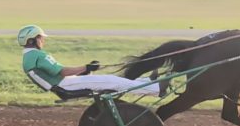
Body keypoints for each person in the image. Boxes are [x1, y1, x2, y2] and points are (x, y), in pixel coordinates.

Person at [19, 25, 161, 97]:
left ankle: (147, 82)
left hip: (64, 84)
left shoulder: (28, 57)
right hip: (66, 85)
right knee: (113, 82)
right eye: (41, 37)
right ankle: (155, 88)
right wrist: (86, 67)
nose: (43, 40)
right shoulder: (37, 55)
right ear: (33, 40)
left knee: (111, 80)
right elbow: (62, 71)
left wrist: (85, 70)